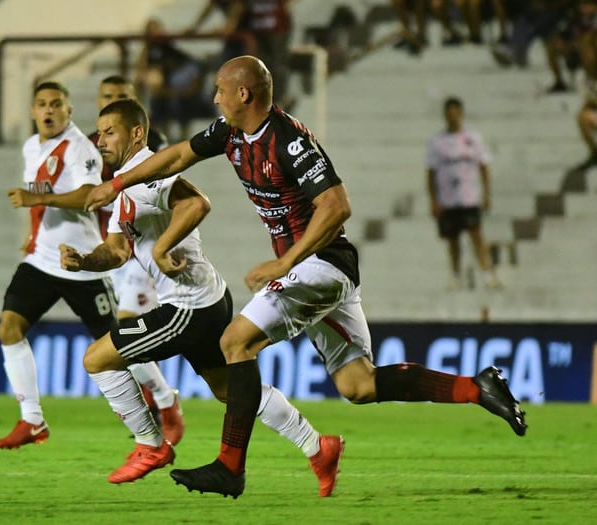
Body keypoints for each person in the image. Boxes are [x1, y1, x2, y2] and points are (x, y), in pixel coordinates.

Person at [85, 56, 527, 499]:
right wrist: (118, 183)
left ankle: (230, 467)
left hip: (321, 263)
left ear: (244, 93)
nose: (215, 97)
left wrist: (284, 262)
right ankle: (476, 388)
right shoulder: (232, 132)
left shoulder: (289, 140)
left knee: (235, 340)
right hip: (313, 269)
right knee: (359, 385)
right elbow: (179, 154)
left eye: (222, 89)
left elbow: (336, 206)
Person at [62, 98, 343, 495]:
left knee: (97, 358)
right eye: (99, 132)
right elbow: (117, 251)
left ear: (136, 133)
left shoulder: (148, 172)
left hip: (188, 307)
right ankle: (318, 447)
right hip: (205, 300)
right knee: (231, 390)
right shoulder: (124, 184)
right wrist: (84, 262)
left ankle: (150, 444)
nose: (101, 139)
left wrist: (162, 249)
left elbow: (196, 203)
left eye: (110, 132)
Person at [0, 81, 113, 449]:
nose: (48, 110)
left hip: (81, 262)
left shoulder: (82, 149)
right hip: (42, 259)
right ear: (32, 112)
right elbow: (43, 197)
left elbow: (89, 195)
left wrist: (34, 198)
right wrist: (32, 233)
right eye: (41, 104)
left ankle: (163, 402)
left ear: (69, 110)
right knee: (9, 328)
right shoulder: (32, 146)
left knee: (118, 345)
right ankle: (32, 420)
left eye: (56, 104)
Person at [88, 75, 185, 445]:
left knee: (126, 328)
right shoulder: (93, 146)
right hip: (115, 243)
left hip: (143, 249)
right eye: (107, 97)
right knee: (122, 336)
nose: (113, 99)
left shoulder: (152, 148)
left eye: (120, 97)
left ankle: (163, 402)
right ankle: (159, 405)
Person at [426, 97, 502, 291]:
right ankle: (455, 275)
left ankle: (487, 274)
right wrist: (434, 200)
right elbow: (431, 172)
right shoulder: (438, 142)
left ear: (461, 113)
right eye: (449, 113)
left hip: (468, 196)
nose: (452, 116)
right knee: (452, 239)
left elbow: (484, 166)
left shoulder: (473, 139)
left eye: (455, 112)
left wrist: (486, 194)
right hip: (448, 198)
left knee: (476, 235)